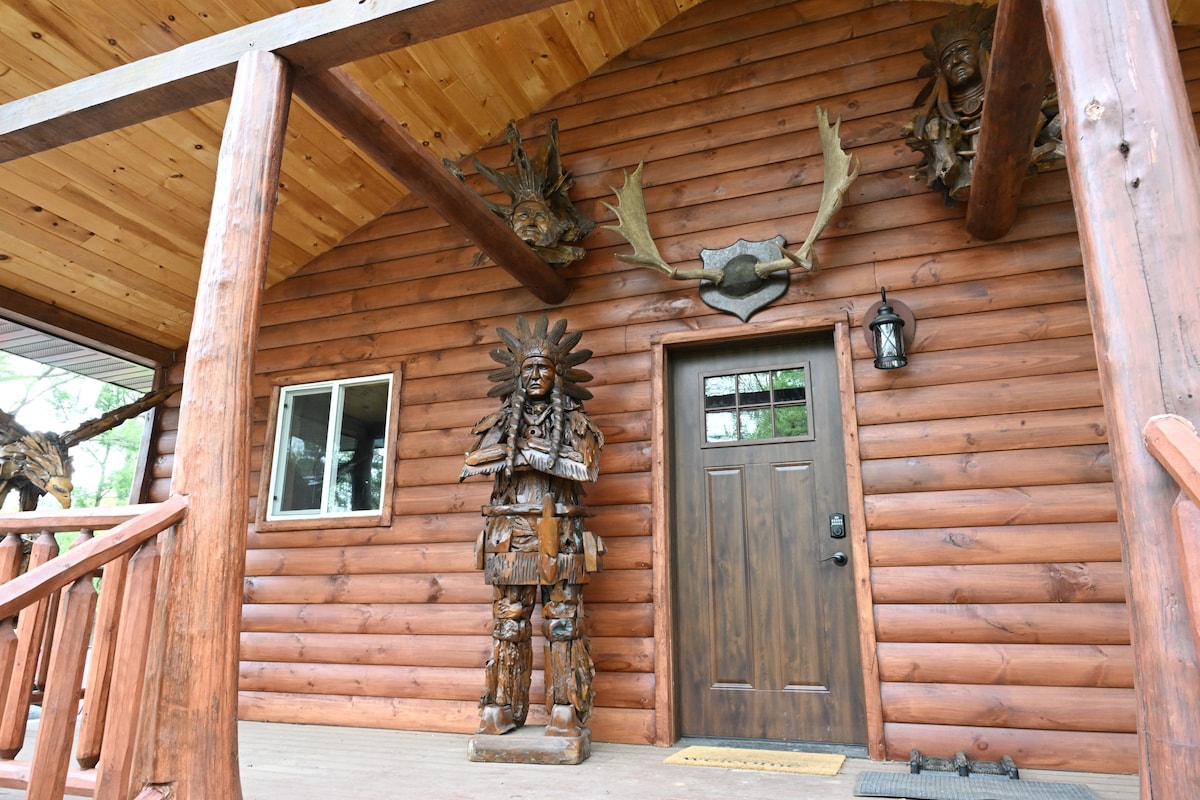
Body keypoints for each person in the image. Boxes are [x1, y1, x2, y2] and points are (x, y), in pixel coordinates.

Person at [460, 315, 605, 738]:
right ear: (517, 375)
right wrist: (526, 453)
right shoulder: (502, 422)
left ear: (559, 374)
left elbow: (585, 466)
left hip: (560, 534)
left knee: (563, 621)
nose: (537, 375)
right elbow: (470, 463)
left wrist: (525, 455)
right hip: (509, 536)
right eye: (529, 368)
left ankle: (565, 707)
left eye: (544, 367)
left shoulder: (576, 422)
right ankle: (502, 705)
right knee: (509, 619)